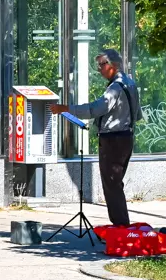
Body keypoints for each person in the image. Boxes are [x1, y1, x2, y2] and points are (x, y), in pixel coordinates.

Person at [50, 48, 142, 226]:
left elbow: (95, 109)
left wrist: (66, 108)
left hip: (113, 140)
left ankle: (120, 226)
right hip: (126, 137)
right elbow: (137, 114)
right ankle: (121, 224)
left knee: (111, 183)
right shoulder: (130, 83)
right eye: (98, 65)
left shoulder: (115, 87)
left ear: (114, 65)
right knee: (115, 182)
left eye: (102, 64)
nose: (99, 69)